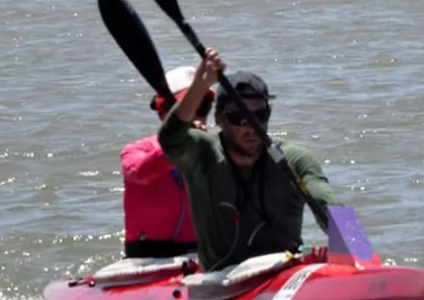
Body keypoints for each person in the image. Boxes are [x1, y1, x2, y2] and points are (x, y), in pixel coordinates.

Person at [157, 48, 337, 272]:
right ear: (219, 118)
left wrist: (361, 254)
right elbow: (170, 138)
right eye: (238, 118)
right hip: (220, 282)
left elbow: (329, 204)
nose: (251, 127)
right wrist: (200, 86)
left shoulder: (294, 158)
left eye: (259, 116)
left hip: (284, 273)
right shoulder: (203, 154)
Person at [121, 66, 214, 258]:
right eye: (189, 108)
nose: (197, 115)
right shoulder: (136, 151)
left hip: (204, 252)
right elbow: (139, 172)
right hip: (149, 257)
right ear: (164, 113)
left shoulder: (217, 149)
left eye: (203, 106)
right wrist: (178, 144)